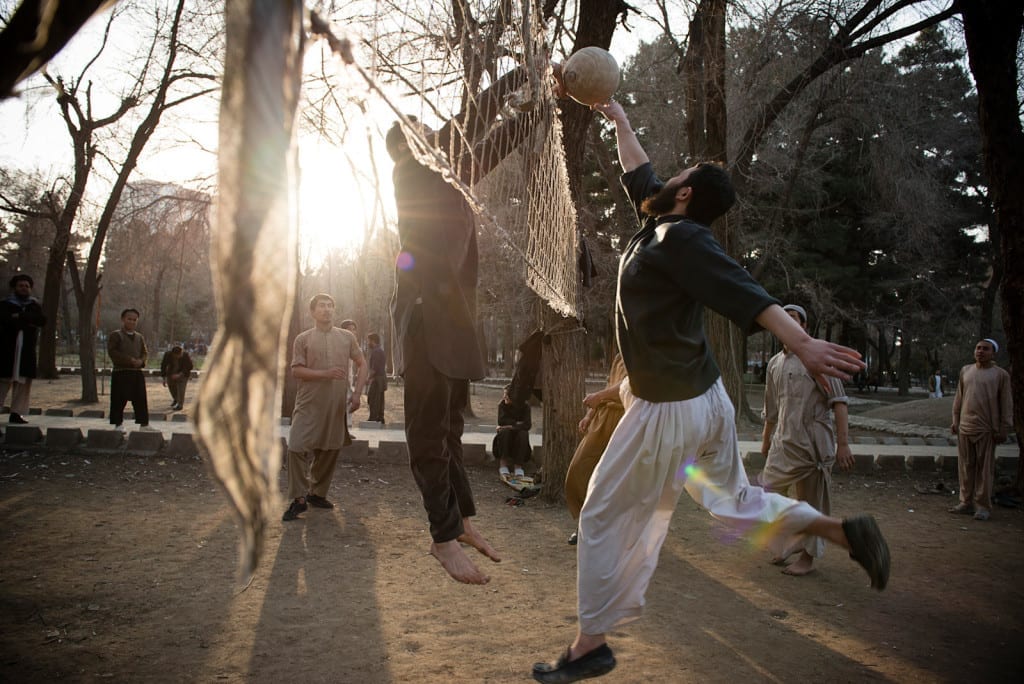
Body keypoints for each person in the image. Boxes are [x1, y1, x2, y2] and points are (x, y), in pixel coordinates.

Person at [531, 100, 890, 683]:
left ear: (687, 194)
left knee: (598, 513)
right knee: (736, 500)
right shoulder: (661, 223)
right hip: (703, 402)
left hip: (668, 410)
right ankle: (839, 531)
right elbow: (641, 174)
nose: (664, 177)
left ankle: (588, 646)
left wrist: (800, 342)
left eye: (677, 177)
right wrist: (620, 119)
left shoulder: (681, 239)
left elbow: (742, 287)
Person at [387, 64, 545, 585]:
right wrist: (522, 79)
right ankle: (441, 537)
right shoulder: (413, 172)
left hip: (451, 321)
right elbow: (475, 125)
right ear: (409, 144)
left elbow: (483, 142)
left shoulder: (446, 180)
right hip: (425, 321)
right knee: (428, 434)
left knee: (452, 428)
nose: (433, 133)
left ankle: (462, 523)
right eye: (422, 130)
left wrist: (539, 106)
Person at [759, 304, 854, 577]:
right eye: (783, 320)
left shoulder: (817, 359)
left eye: (793, 320)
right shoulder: (775, 363)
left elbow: (839, 402)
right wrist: (766, 440)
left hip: (813, 444)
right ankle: (794, 539)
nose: (787, 324)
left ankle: (808, 558)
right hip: (783, 443)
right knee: (768, 491)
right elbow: (772, 408)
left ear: (804, 327)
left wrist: (843, 444)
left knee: (812, 502)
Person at [282, 294, 368, 521]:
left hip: (336, 403)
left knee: (330, 448)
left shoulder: (347, 337)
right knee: (296, 446)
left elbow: (362, 363)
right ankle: (299, 498)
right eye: (322, 306)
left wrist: (357, 393)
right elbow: (296, 370)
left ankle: (317, 493)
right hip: (308, 402)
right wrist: (325, 374)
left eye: (330, 306)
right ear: (312, 311)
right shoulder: (303, 339)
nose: (327, 309)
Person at [564, 353, 627, 545]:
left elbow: (630, 386)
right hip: (603, 417)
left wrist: (599, 396)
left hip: (627, 420)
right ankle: (585, 524)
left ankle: (612, 531)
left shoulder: (644, 351)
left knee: (615, 479)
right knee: (579, 471)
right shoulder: (619, 355)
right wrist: (589, 416)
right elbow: (610, 386)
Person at [949, 338, 1013, 522]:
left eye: (985, 349)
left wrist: (1003, 427)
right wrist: (955, 420)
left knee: (984, 469)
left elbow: (1006, 404)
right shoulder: (966, 371)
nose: (980, 351)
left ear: (993, 353)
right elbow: (959, 398)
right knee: (965, 467)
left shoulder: (1000, 375)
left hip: (986, 428)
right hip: (965, 426)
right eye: (978, 348)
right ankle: (965, 502)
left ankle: (983, 505)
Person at [0, 274, 46, 424]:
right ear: (15, 287)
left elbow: (41, 320)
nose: (24, 288)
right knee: (3, 382)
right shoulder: (5, 304)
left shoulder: (34, 305)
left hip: (26, 348)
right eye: (21, 286)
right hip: (7, 348)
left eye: (26, 286)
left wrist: (20, 317)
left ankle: (16, 413)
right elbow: (5, 320)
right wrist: (25, 319)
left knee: (22, 383)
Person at [108, 308, 153, 431]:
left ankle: (144, 424)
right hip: (121, 372)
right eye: (129, 319)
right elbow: (113, 352)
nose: (132, 322)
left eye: (134, 320)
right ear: (123, 319)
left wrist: (141, 361)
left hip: (136, 373)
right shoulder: (116, 335)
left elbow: (144, 352)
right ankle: (118, 424)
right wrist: (130, 360)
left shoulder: (139, 337)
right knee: (118, 399)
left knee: (140, 399)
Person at [493, 384, 532, 480]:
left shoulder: (525, 406)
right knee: (504, 431)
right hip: (504, 441)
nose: (504, 397)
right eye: (504, 394)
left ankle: (518, 466)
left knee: (523, 433)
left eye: (507, 394)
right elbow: (501, 421)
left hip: (520, 441)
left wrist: (511, 426)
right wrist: (517, 424)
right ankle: (503, 464)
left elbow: (527, 425)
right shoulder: (502, 405)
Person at [160, 344, 194, 411]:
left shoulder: (185, 355)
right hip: (171, 374)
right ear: (173, 354)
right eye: (178, 355)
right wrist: (164, 378)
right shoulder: (168, 355)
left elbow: (190, 366)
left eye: (180, 354)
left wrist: (180, 374)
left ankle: (180, 405)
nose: (179, 356)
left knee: (181, 390)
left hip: (183, 375)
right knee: (172, 388)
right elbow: (163, 365)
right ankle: (176, 399)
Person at [366, 332, 387, 424]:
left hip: (377, 379)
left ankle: (373, 418)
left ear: (373, 341)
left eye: (369, 341)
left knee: (373, 398)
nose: (368, 343)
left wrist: (367, 378)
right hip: (381, 378)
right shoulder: (380, 350)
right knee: (379, 399)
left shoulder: (376, 352)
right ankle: (380, 418)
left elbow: (374, 368)